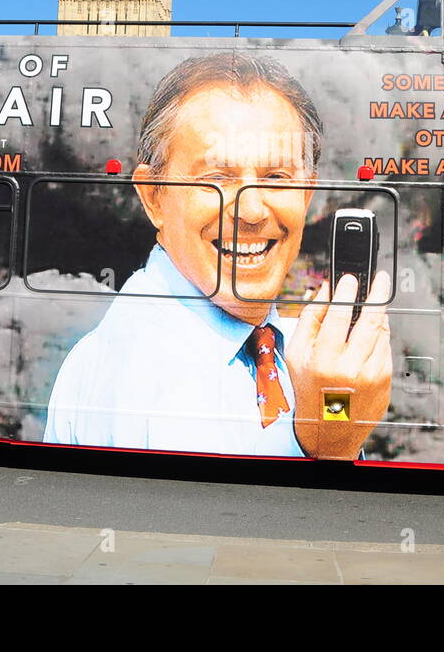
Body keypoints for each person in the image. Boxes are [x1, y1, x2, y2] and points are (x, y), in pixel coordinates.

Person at [44, 53, 392, 460]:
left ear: (308, 193)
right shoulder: (147, 373)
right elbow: (215, 524)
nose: (252, 211)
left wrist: (332, 415)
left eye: (277, 178)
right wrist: (327, 438)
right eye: (216, 178)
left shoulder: (285, 347)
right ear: (153, 197)